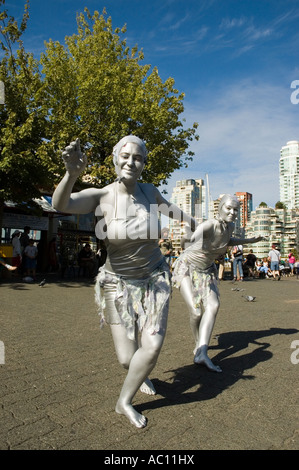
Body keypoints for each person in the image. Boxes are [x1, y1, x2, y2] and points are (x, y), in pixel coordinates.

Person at [52, 136, 196, 428]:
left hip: (155, 279)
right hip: (115, 283)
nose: (132, 162)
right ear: (115, 159)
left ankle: (124, 402)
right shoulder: (101, 195)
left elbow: (172, 210)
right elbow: (62, 204)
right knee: (126, 359)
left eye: (139, 157)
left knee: (152, 346)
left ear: (144, 163)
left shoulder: (149, 191)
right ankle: (140, 374)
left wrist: (196, 222)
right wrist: (71, 174)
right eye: (126, 156)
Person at [172, 194, 263, 373]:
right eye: (228, 208)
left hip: (206, 271)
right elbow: (187, 241)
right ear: (219, 208)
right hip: (187, 268)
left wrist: (250, 240)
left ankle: (201, 352)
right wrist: (188, 241)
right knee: (196, 311)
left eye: (236, 209)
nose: (232, 212)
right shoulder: (209, 225)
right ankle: (198, 344)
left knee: (213, 306)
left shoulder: (229, 227)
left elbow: (227, 241)